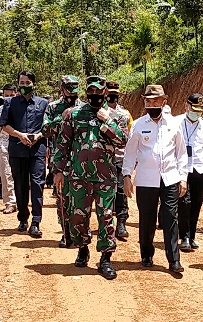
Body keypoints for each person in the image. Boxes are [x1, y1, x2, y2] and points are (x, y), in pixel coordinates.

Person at [53, 76, 127, 280]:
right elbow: (63, 144)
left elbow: (122, 140)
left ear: (105, 92)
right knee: (77, 216)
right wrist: (58, 171)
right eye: (91, 92)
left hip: (105, 178)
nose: (95, 96)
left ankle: (105, 258)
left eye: (98, 92)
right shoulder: (73, 114)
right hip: (78, 176)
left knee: (106, 217)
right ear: (86, 93)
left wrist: (107, 120)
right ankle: (82, 248)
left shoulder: (116, 116)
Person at [123, 84, 188, 273]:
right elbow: (130, 153)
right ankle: (146, 254)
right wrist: (127, 176)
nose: (152, 105)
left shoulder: (174, 124)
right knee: (147, 219)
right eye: (148, 101)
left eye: (155, 101)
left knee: (170, 217)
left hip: (169, 178)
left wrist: (182, 178)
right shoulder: (138, 125)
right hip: (145, 179)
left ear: (164, 102)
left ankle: (174, 259)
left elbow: (181, 153)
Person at [0, 71, 49, 238]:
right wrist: (19, 135)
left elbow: (48, 126)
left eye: (27, 82)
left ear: (34, 84)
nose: (24, 85)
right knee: (20, 185)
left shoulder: (43, 104)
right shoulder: (10, 103)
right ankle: (23, 218)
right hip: (17, 150)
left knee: (37, 184)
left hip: (37, 150)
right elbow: (4, 125)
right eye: (22, 82)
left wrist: (38, 136)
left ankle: (36, 222)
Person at [42, 75, 82, 248]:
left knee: (80, 200)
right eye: (68, 89)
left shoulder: (85, 107)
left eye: (75, 89)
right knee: (63, 199)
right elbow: (44, 130)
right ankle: (66, 233)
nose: (72, 94)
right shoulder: (53, 107)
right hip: (61, 159)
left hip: (81, 159)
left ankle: (80, 234)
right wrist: (62, 118)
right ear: (62, 89)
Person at [176, 93, 203, 252]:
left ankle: (191, 236)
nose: (197, 113)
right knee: (184, 203)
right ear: (186, 106)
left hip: (198, 169)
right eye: (194, 109)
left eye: (200, 110)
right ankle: (183, 236)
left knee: (196, 204)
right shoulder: (176, 122)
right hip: (181, 169)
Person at [105, 81, 133, 241]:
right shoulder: (100, 112)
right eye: (110, 92)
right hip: (104, 158)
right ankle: (107, 222)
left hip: (121, 158)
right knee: (106, 191)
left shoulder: (125, 114)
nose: (113, 95)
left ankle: (121, 223)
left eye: (115, 92)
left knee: (121, 192)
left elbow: (130, 135)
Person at [0, 84, 18, 214]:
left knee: (21, 175)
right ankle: (10, 202)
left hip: (21, 145)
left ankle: (22, 201)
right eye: (6, 96)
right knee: (6, 174)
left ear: (16, 94)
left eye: (11, 95)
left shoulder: (23, 109)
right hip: (4, 145)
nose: (8, 98)